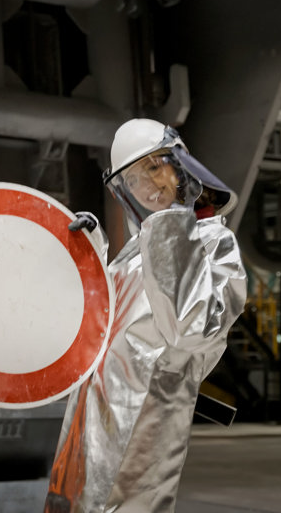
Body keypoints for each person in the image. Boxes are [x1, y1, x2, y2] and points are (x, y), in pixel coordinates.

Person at [46, 118, 247, 512]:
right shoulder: (138, 250)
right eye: (135, 179)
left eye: (156, 167)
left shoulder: (214, 243)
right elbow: (104, 322)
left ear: (181, 167)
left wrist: (172, 222)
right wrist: (93, 253)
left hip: (150, 410)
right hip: (95, 409)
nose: (149, 185)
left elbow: (190, 328)